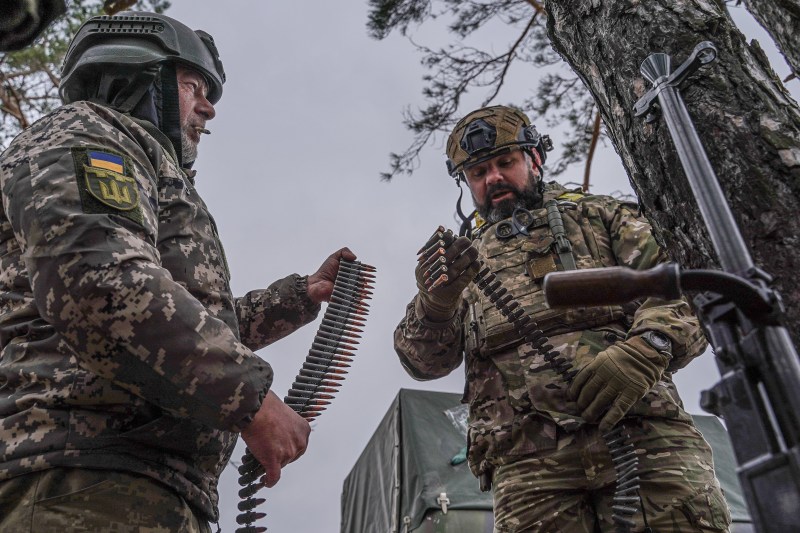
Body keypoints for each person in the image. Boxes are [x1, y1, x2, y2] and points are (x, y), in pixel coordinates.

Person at [0, 11, 355, 532]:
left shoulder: (137, 159)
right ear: (138, 76)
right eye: (194, 86)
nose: (209, 109)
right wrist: (250, 399)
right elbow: (101, 286)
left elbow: (163, 307)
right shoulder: (89, 135)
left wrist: (299, 296)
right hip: (80, 476)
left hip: (128, 479)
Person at [394, 105, 732, 532]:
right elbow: (421, 362)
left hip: (645, 438)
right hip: (528, 469)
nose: (493, 178)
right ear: (465, 182)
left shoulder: (602, 217)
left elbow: (683, 291)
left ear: (534, 159)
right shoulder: (459, 263)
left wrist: (647, 349)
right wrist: (436, 304)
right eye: (478, 172)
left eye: (505, 163)